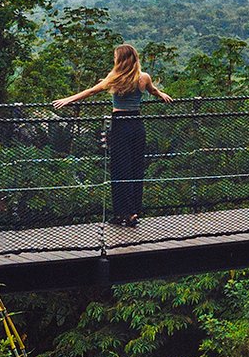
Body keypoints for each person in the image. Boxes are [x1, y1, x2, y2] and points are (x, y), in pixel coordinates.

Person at [53, 44, 173, 227]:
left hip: (120, 124)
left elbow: (92, 91)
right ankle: (133, 212)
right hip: (137, 125)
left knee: (120, 170)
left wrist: (69, 99)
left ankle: (120, 213)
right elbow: (153, 91)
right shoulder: (144, 78)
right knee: (135, 169)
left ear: (121, 60)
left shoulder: (115, 78)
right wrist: (162, 94)